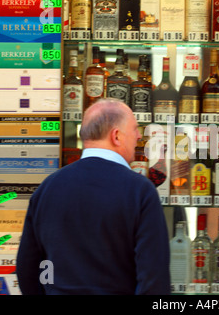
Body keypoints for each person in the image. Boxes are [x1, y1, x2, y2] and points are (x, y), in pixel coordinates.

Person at [16, 98, 171, 295]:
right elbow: (153, 277)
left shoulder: (48, 188)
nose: (139, 136)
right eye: (134, 129)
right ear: (116, 136)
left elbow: (27, 267)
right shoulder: (140, 190)